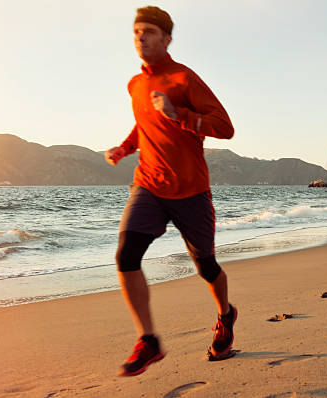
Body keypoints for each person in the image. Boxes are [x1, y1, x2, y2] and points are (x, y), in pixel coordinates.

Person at [104, 6, 237, 376]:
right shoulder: (135, 84)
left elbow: (225, 127)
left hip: (191, 191)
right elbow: (143, 124)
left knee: (206, 266)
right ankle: (148, 340)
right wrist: (124, 148)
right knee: (126, 255)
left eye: (148, 31)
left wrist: (180, 115)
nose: (141, 37)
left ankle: (225, 316)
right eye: (136, 32)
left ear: (166, 39)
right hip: (148, 183)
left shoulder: (184, 78)